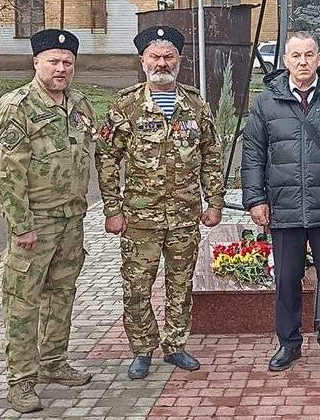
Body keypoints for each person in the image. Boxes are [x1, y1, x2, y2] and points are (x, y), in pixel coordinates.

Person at [95, 25, 225, 380]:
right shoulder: (126, 105)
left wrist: (214, 201)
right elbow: (107, 158)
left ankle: (175, 345)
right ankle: (142, 350)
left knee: (180, 285)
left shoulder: (195, 104)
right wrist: (112, 209)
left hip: (184, 216)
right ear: (143, 61)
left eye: (169, 57)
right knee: (137, 287)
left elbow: (211, 155)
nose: (162, 63)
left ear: (179, 60)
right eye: (155, 57)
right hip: (140, 219)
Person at [241, 31, 320, 373]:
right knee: (286, 280)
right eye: (296, 55)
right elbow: (252, 154)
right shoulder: (266, 102)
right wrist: (255, 199)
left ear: (319, 59)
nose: (303, 61)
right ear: (285, 60)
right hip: (283, 207)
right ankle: (289, 344)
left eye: (309, 55)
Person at [0, 30, 94, 413]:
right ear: (36, 63)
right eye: (53, 61)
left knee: (62, 295)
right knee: (23, 302)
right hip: (36, 224)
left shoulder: (80, 104)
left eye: (67, 62)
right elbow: (8, 173)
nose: (61, 68)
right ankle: (20, 381)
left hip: (72, 220)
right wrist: (22, 227)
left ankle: (53, 363)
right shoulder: (15, 106)